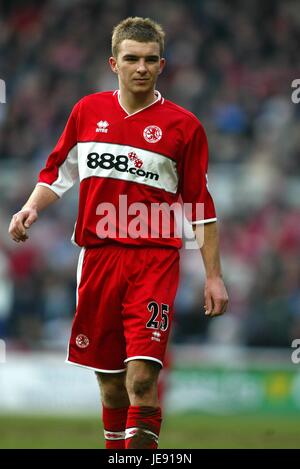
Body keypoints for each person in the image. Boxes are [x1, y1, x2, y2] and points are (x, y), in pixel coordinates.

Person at [8, 17, 228, 449]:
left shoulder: (183, 127)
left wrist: (214, 276)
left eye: (150, 60)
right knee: (110, 387)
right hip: (97, 259)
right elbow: (57, 174)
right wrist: (31, 207)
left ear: (162, 64)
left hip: (154, 261)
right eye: (131, 59)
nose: (141, 67)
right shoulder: (87, 112)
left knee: (142, 378)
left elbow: (200, 205)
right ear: (114, 63)